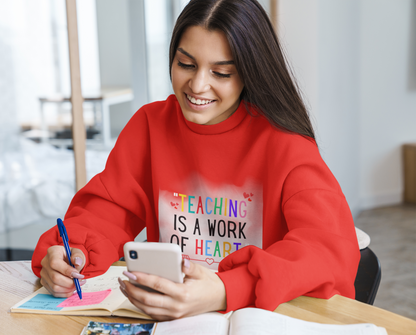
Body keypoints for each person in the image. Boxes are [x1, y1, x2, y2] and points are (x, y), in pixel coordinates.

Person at [32, 0, 360, 321]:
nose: (198, 85)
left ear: (250, 73)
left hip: (256, 319)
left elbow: (327, 250)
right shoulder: (150, 126)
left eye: (221, 72)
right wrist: (72, 253)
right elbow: (105, 212)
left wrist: (224, 289)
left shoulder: (285, 143)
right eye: (186, 65)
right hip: (173, 322)